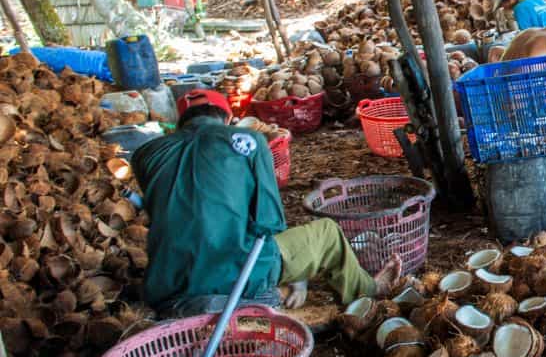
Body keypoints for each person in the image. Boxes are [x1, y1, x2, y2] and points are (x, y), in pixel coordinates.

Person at [131, 90, 401, 318]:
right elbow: (270, 221)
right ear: (228, 118)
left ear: (181, 122)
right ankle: (368, 290)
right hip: (236, 275)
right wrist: (299, 276)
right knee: (328, 233)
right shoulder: (248, 142)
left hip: (167, 284)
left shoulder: (145, 154)